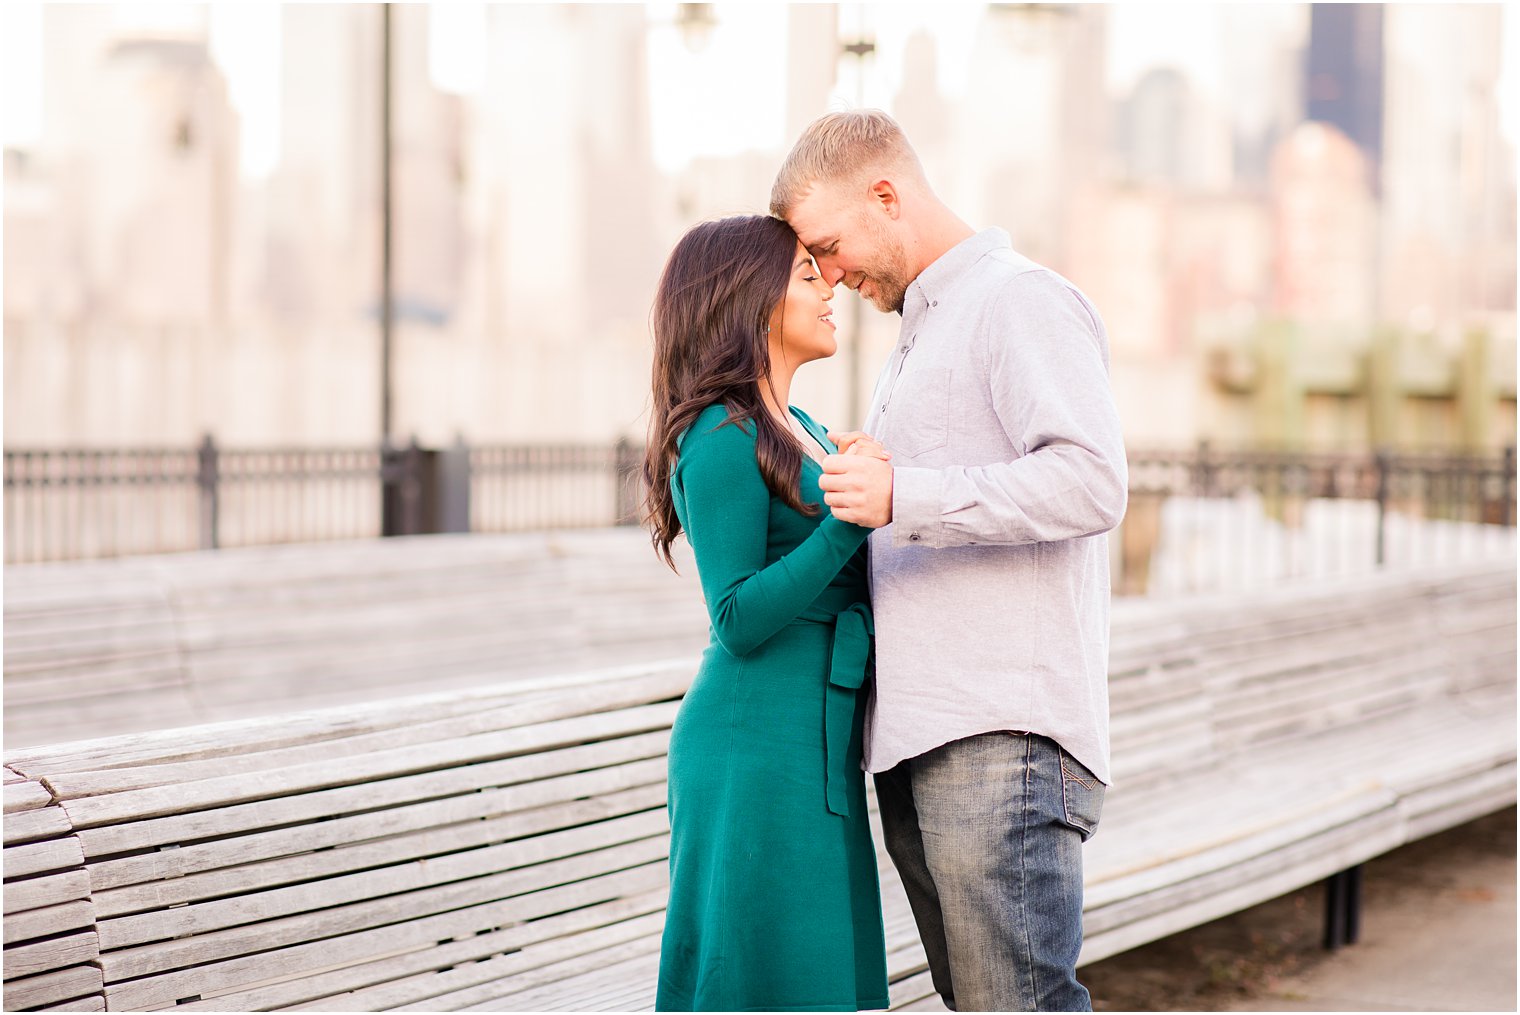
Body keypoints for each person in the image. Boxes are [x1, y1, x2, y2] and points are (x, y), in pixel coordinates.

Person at [770, 110, 1128, 1012]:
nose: (831, 274)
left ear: (886, 196)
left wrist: (908, 497)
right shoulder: (922, 333)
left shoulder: (1017, 300)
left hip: (998, 734)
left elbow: (1092, 483)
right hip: (924, 737)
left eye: (830, 244)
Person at [642, 214, 893, 1012]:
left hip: (819, 743)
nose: (830, 290)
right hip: (752, 747)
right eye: (806, 277)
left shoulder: (807, 430)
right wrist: (850, 518)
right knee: (760, 975)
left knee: (822, 972)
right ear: (752, 303)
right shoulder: (721, 432)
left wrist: (865, 474)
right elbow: (738, 614)